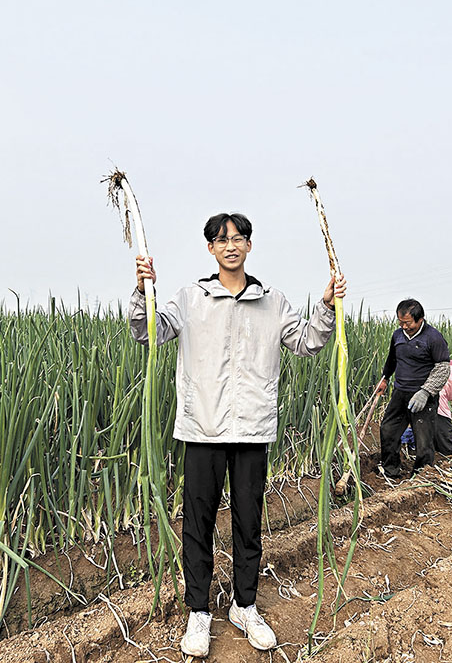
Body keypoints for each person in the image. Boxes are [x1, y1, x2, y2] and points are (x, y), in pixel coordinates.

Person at [129, 212, 346, 659]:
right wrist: (142, 290)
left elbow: (307, 342)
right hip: (202, 430)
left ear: (249, 246)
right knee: (199, 525)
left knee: (249, 524)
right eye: (221, 239)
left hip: (252, 430)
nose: (231, 245)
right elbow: (146, 332)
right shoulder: (191, 299)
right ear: (210, 248)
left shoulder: (273, 302)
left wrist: (326, 306)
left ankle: (244, 606)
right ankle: (199, 612)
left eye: (239, 238)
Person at [375, 299, 450, 477]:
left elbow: (443, 368)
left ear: (420, 319)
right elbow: (392, 359)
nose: (404, 327)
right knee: (388, 429)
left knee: (423, 438)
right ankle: (390, 470)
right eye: (401, 323)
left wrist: (425, 392)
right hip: (400, 392)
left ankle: (421, 475)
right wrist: (385, 378)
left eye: (407, 323)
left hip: (423, 395)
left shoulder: (433, 338)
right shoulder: (397, 335)